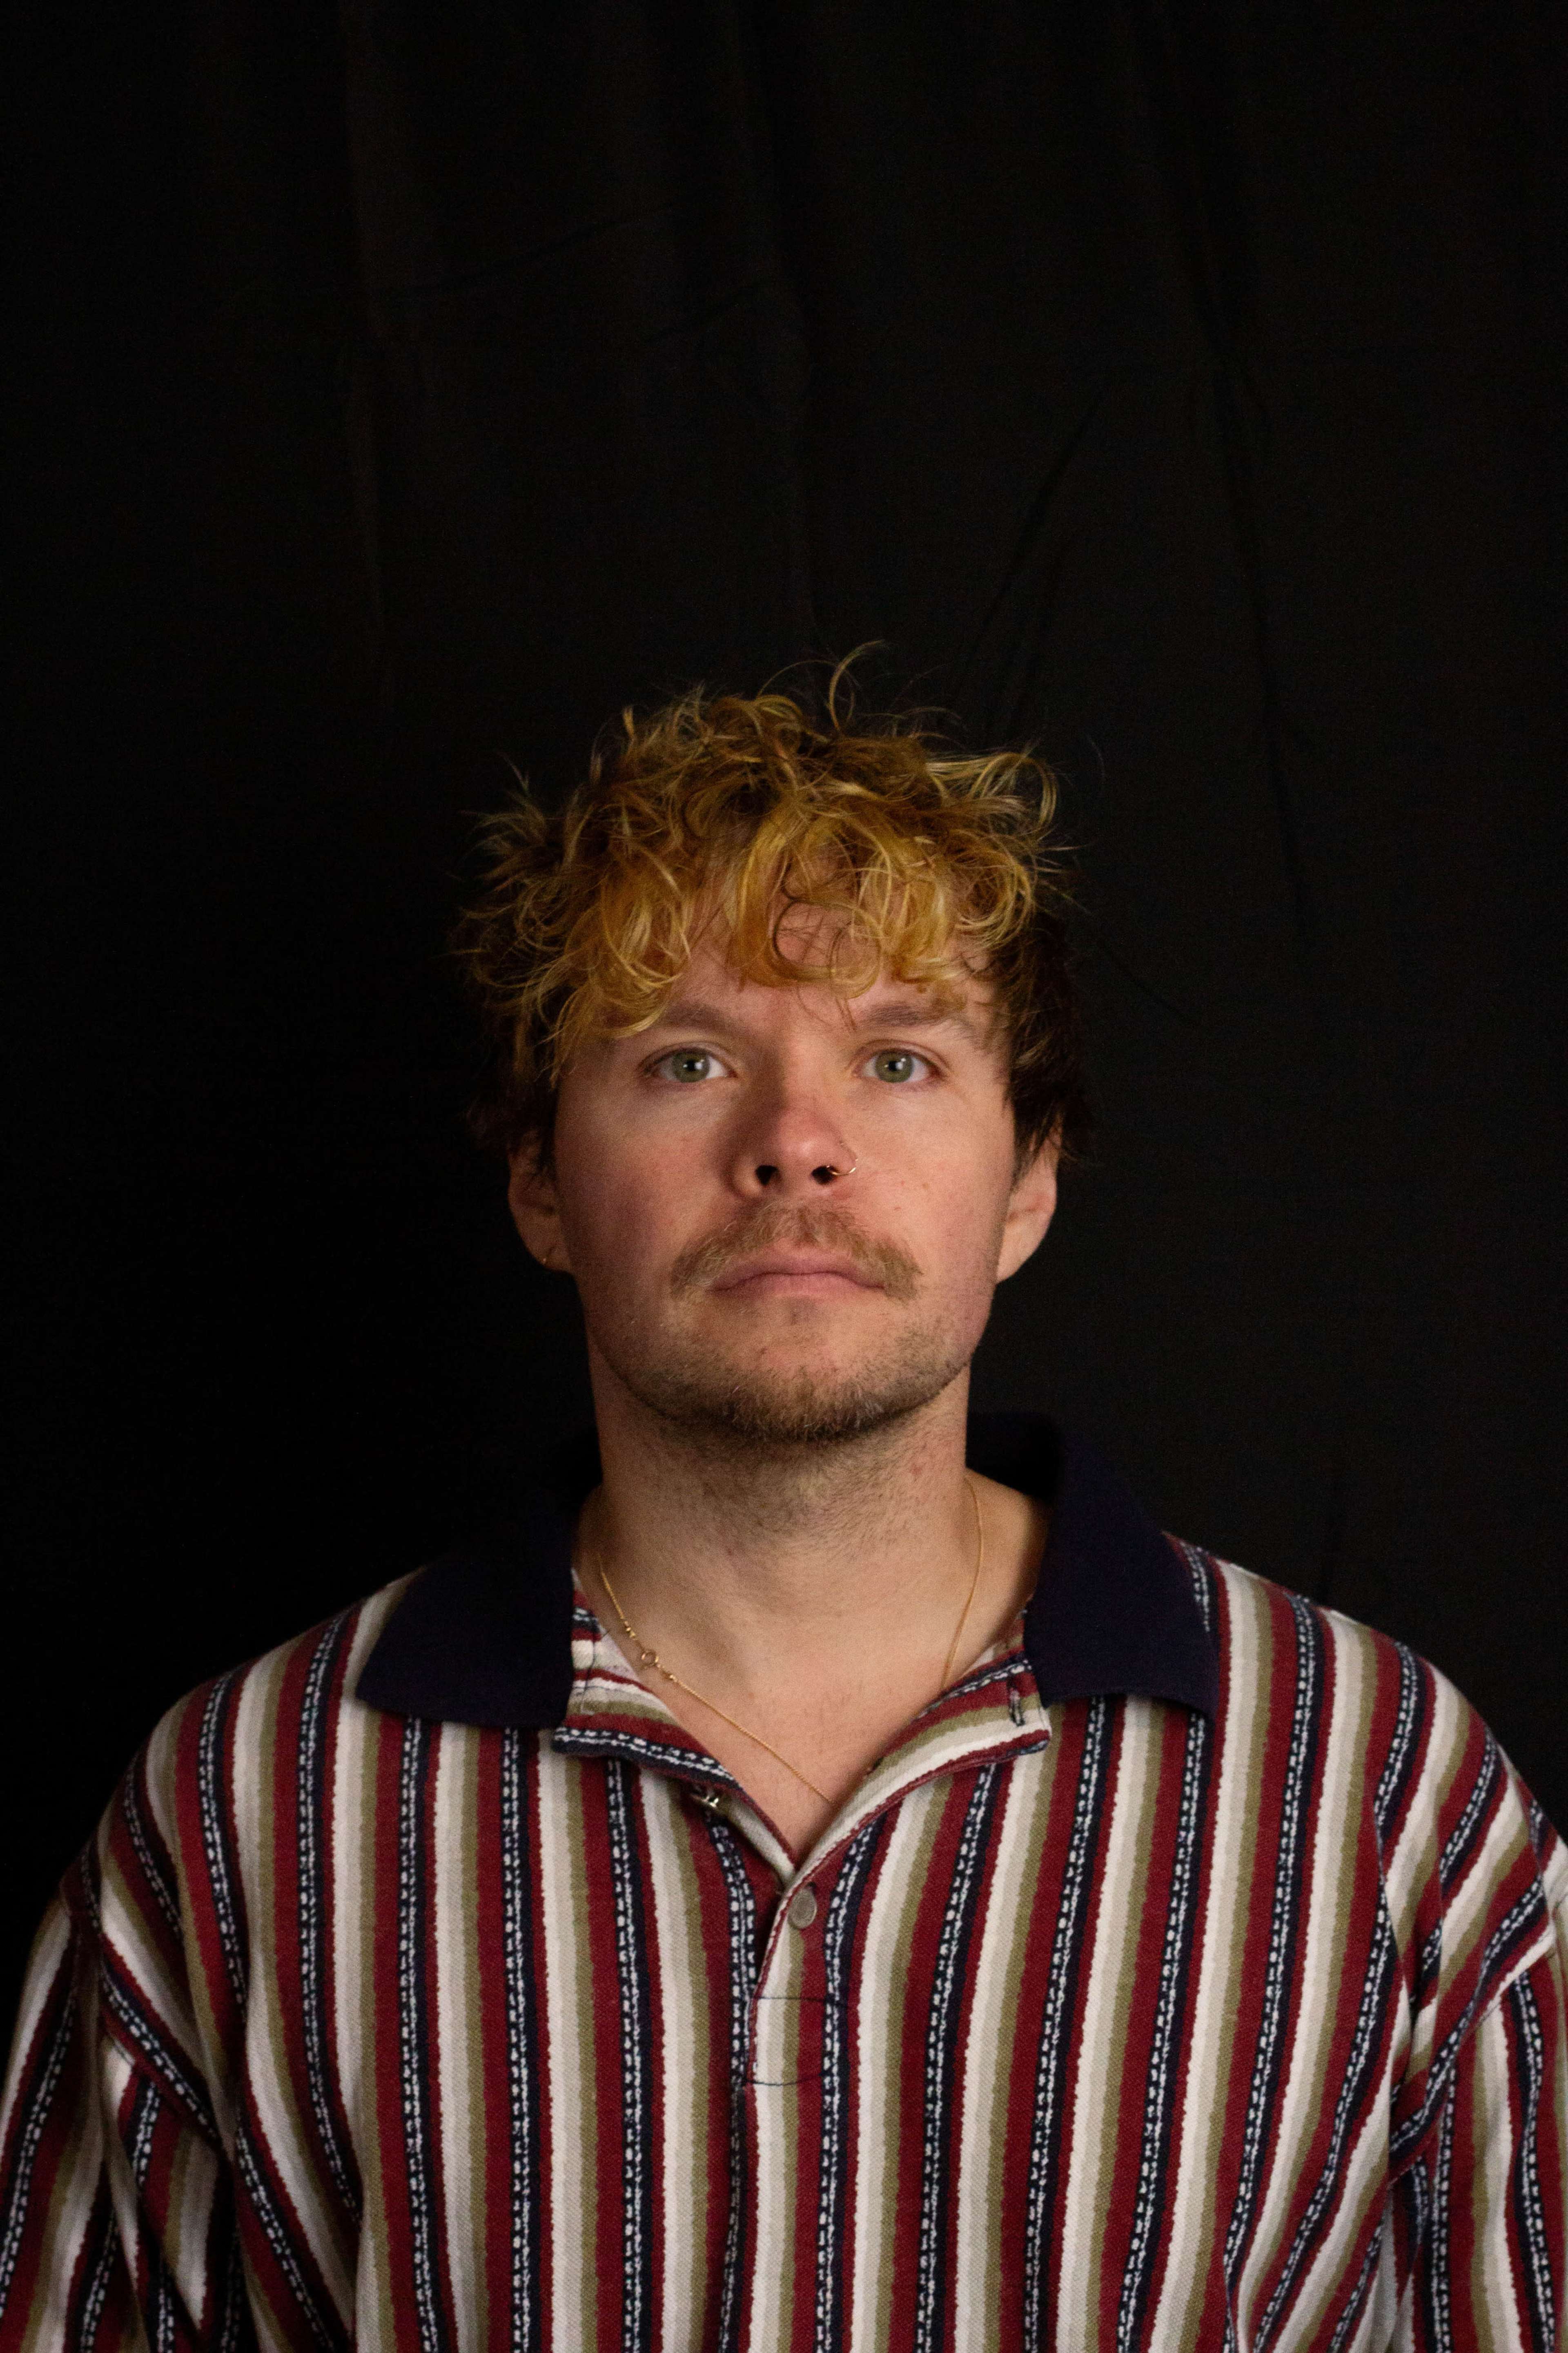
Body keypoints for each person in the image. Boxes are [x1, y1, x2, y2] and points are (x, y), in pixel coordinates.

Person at [2, 684, 1565, 2353]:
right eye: (687, 1059)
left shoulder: (1384, 1791)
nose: (795, 1146)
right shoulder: (246, 1808)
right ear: (540, 1176)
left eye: (897, 1059)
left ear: (1027, 1178)